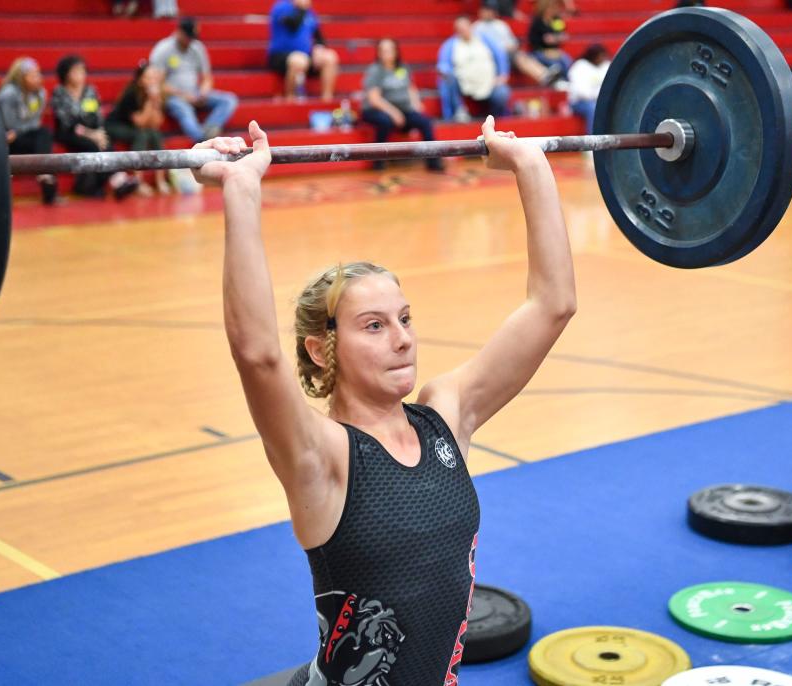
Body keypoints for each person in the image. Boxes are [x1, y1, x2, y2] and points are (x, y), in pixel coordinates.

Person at [191, 114, 575, 686]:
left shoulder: (446, 415)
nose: (402, 338)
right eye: (373, 326)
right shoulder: (321, 457)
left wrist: (529, 164)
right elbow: (257, 354)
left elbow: (553, 305)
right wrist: (241, 189)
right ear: (322, 351)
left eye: (404, 318)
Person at [51, 55, 138, 199]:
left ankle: (111, 182)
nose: (81, 74)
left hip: (90, 131)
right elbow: (66, 122)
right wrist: (92, 134)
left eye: (83, 70)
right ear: (66, 74)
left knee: (105, 140)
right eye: (76, 71)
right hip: (68, 133)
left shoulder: (90, 91)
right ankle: (112, 181)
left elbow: (97, 116)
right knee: (93, 145)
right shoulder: (59, 92)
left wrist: (99, 132)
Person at [149, 17, 238, 143]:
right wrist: (184, 96)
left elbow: (207, 77)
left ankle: (210, 129)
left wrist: (204, 91)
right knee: (184, 108)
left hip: (195, 92)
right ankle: (202, 139)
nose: (190, 41)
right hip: (173, 96)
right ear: (179, 32)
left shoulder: (197, 47)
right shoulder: (164, 49)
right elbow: (157, 83)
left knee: (229, 100)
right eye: (188, 37)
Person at [361, 39, 444, 172]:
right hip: (376, 110)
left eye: (389, 50)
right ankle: (377, 160)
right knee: (385, 121)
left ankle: (434, 162)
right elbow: (374, 99)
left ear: (396, 52)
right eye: (382, 50)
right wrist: (393, 113)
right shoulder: (375, 70)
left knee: (425, 122)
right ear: (378, 53)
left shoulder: (403, 67)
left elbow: (411, 88)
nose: (385, 53)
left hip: (403, 110)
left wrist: (416, 105)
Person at [105, 61, 173, 196]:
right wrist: (150, 100)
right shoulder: (131, 94)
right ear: (141, 81)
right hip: (115, 125)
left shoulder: (159, 94)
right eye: (149, 77)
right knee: (141, 135)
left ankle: (160, 181)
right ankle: (138, 182)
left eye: (154, 76)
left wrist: (156, 102)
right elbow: (140, 122)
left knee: (155, 134)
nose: (153, 80)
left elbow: (156, 123)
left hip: (134, 126)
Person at [0, 57, 58, 205]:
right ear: (21, 77)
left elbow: (34, 123)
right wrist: (18, 131)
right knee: (41, 135)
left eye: (39, 74)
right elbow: (8, 123)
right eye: (33, 75)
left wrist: (18, 131)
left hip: (19, 136)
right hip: (5, 139)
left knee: (44, 133)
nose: (38, 78)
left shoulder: (41, 94)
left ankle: (44, 173)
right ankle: (45, 174)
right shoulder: (8, 94)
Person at [437, 17, 511, 121]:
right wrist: (445, 71)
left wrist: (503, 74)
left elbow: (500, 55)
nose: (464, 31)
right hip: (463, 84)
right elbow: (443, 65)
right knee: (448, 80)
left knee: (502, 93)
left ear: (471, 27)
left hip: (489, 82)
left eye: (465, 28)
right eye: (460, 30)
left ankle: (495, 118)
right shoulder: (450, 45)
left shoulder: (485, 39)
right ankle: (459, 111)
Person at [475, 1, 563, 87]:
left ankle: (546, 75)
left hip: (509, 54)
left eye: (491, 10)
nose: (489, 13)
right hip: (491, 56)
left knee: (522, 56)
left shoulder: (501, 25)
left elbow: (512, 41)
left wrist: (512, 46)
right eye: (486, 10)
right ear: (481, 12)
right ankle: (545, 75)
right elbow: (477, 46)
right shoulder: (477, 27)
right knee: (520, 57)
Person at [268, 0, 339, 101]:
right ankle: (290, 98)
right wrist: (301, 8)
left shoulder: (310, 13)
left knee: (330, 57)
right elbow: (293, 25)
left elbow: (319, 37)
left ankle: (327, 99)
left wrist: (319, 48)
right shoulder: (281, 7)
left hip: (305, 55)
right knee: (299, 61)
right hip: (281, 55)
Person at [567, 44, 610, 131]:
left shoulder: (607, 65)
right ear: (592, 56)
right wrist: (600, 95)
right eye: (599, 56)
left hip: (601, 100)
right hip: (579, 102)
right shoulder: (579, 67)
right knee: (593, 108)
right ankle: (593, 137)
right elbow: (582, 93)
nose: (602, 59)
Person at [528, 0, 573, 80]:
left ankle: (567, 81)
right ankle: (558, 82)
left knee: (566, 61)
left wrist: (554, 39)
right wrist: (554, 39)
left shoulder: (557, 20)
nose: (554, 10)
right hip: (539, 52)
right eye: (551, 8)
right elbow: (540, 41)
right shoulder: (538, 22)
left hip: (555, 51)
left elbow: (562, 35)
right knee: (555, 65)